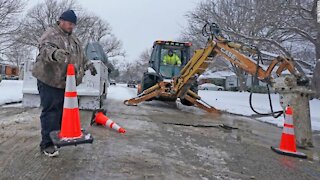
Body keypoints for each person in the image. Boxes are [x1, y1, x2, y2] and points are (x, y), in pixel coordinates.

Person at [32, 10, 97, 157]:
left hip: (65, 83)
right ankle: (47, 144)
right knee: (51, 111)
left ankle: (56, 138)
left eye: (73, 24)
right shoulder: (51, 34)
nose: (71, 26)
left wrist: (88, 64)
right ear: (61, 21)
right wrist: (55, 54)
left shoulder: (73, 39)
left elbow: (80, 55)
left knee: (61, 112)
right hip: (49, 79)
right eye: (69, 23)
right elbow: (45, 49)